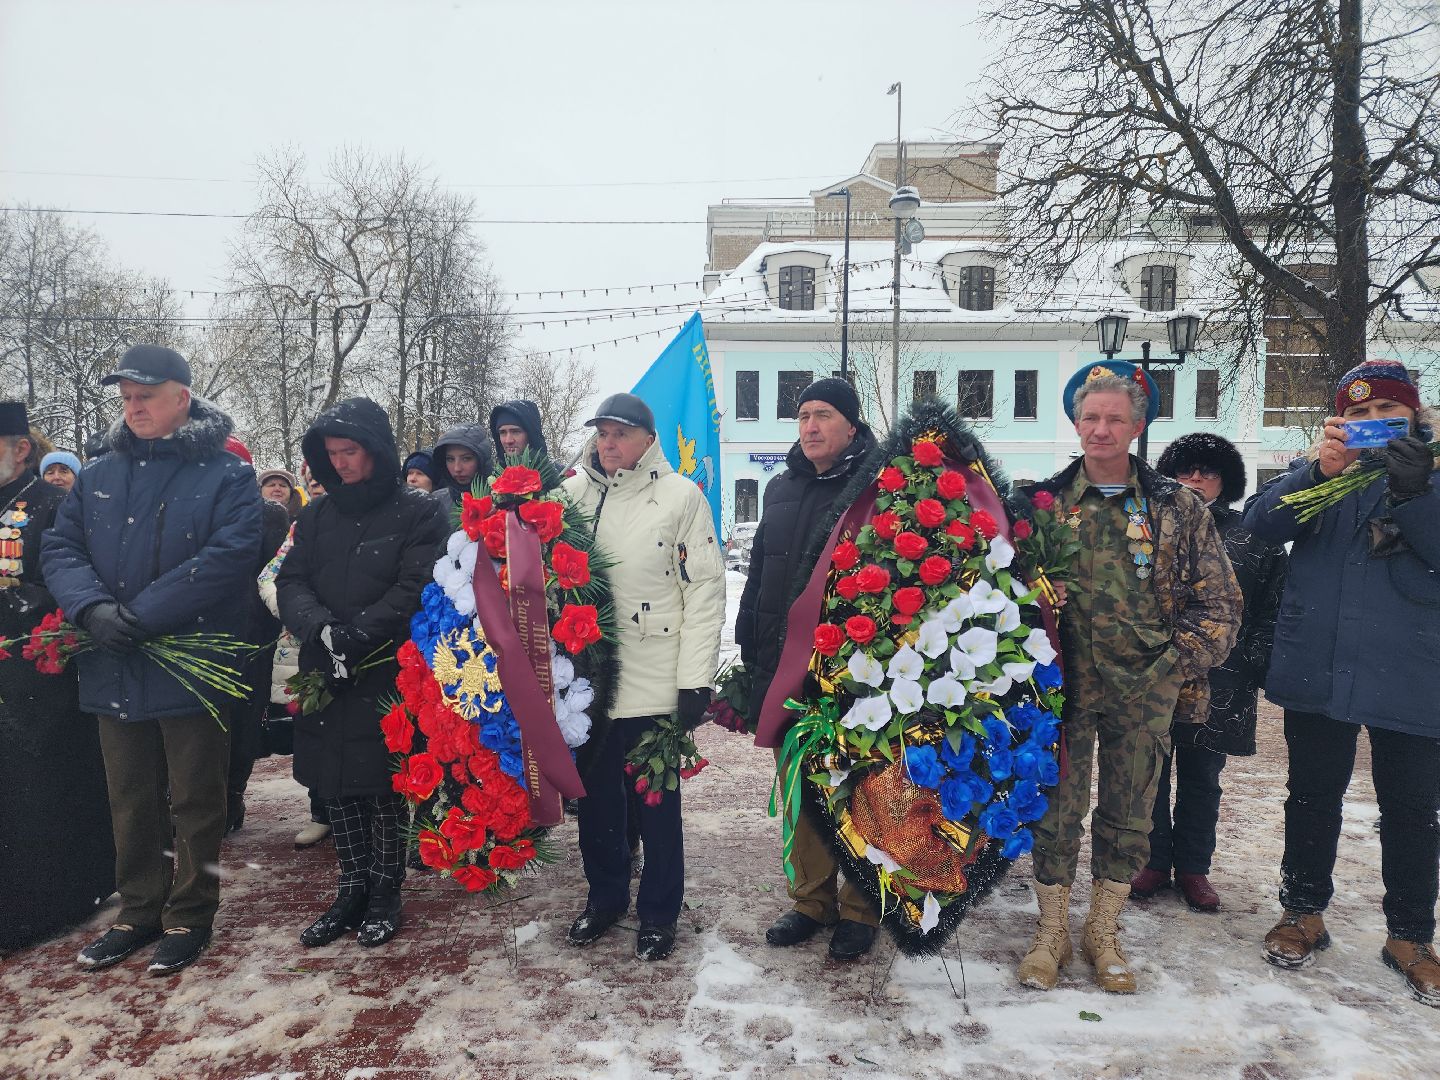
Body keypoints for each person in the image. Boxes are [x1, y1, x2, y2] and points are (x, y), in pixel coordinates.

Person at [1016, 362, 1241, 994]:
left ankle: (1103, 933)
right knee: (1057, 811)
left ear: (1137, 426)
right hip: (1061, 690)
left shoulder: (1177, 507)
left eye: (1115, 418)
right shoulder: (1043, 504)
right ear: (1076, 423)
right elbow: (1001, 594)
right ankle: (1052, 931)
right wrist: (1031, 595)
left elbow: (1221, 604)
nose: (1101, 429)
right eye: (1091, 418)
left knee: (1129, 814)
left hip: (1144, 691)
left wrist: (1175, 664)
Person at [43, 344, 263, 976]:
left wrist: (140, 616)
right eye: (127, 398)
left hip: (188, 662)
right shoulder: (99, 474)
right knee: (129, 795)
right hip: (113, 660)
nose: (134, 407)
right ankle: (138, 910)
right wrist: (91, 609)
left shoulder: (226, 475)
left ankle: (190, 915)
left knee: (196, 798)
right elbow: (61, 549)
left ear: (181, 399)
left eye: (146, 395)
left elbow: (229, 555)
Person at [1243, 360, 1440, 1007]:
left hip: (1412, 671)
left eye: (1388, 413)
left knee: (1411, 811)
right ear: (1339, 424)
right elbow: (1262, 525)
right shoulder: (1324, 477)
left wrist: (1414, 498)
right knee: (1311, 796)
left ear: (1415, 417)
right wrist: (1316, 472)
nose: (1374, 424)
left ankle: (1409, 937)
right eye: (1358, 416)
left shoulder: (1433, 478)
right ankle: (1304, 913)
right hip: (1320, 666)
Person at [277, 398, 448, 948]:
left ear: (375, 451)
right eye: (332, 454)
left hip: (387, 670)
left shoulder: (417, 512)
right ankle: (350, 886)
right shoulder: (316, 515)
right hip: (326, 669)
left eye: (350, 452)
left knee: (384, 787)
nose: (342, 463)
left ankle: (385, 890)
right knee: (337, 785)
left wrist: (360, 634)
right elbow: (290, 581)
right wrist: (321, 630)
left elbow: (416, 584)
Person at [561, 392, 725, 961]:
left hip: (655, 681)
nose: (609, 444)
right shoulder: (571, 495)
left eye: (620, 433)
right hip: (587, 684)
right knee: (598, 805)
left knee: (656, 809)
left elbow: (704, 591)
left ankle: (658, 911)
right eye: (602, 433)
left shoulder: (680, 497)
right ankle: (605, 898)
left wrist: (694, 681)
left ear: (647, 439)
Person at [735, 378, 882, 961]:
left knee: (859, 790)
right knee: (801, 789)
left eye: (823, 415)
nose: (811, 426)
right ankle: (810, 900)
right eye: (802, 416)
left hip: (853, 668)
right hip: (785, 665)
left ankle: (860, 906)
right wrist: (751, 643)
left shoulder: (876, 488)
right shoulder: (782, 488)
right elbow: (759, 576)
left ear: (851, 424)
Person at [1132, 434, 1287, 911]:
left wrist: (1249, 662)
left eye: (1207, 471)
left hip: (1222, 679)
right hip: (1155, 676)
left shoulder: (1253, 536)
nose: (1195, 479)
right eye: (1185, 470)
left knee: (1203, 778)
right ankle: (1154, 861)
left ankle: (1195, 869)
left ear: (1227, 480)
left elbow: (1272, 610)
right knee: (1149, 776)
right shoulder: (1146, 529)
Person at [0, 402, 115, 952]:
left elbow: (72, 580)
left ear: (20, 449)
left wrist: (20, 604)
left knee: (37, 788)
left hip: (36, 671)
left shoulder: (53, 505)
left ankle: (52, 899)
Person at [429, 424, 492, 504]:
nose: (457, 468)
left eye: (466, 459)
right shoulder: (436, 501)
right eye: (450, 459)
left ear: (481, 459)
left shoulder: (503, 499)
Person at [489, 399, 548, 464]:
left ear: (531, 434)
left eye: (515, 432)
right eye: (502, 432)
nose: (508, 440)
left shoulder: (557, 473)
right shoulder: (496, 473)